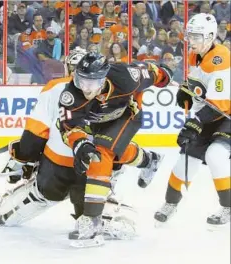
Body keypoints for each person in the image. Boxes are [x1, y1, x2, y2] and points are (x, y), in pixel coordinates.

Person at [0, 48, 140, 248]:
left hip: (56, 167)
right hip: (93, 170)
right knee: (92, 207)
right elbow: (117, 141)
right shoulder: (114, 89)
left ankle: (39, 195)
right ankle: (105, 212)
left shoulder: (55, 87)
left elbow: (36, 132)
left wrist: (22, 158)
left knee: (9, 215)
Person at [57, 52, 173, 245]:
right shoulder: (70, 95)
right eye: (81, 81)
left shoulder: (125, 77)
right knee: (109, 154)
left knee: (101, 154)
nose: (85, 88)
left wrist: (164, 75)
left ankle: (92, 222)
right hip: (97, 122)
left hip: (127, 114)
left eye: (91, 83)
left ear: (103, 79)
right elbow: (68, 127)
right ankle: (148, 159)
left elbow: (149, 72)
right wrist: (80, 144)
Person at [154, 13, 230, 229]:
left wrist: (194, 123)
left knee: (216, 156)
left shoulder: (221, 57)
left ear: (210, 36)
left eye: (197, 36)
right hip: (208, 113)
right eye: (190, 36)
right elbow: (198, 82)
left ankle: (228, 206)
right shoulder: (194, 54)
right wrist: (187, 90)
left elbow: (220, 105)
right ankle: (170, 204)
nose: (192, 41)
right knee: (185, 161)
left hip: (226, 115)